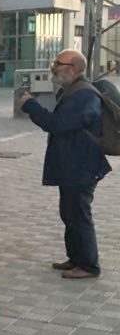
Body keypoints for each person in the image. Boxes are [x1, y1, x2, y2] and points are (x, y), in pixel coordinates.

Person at [20, 49, 111, 279]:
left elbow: (57, 124)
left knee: (79, 215)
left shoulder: (84, 95)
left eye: (58, 63)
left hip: (82, 166)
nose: (53, 67)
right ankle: (76, 258)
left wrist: (30, 105)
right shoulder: (72, 91)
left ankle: (88, 265)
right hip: (73, 165)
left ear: (73, 69)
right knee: (69, 213)